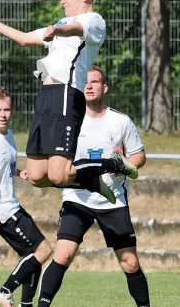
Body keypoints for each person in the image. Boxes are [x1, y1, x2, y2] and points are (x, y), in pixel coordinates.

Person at [0, 0, 136, 203]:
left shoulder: (93, 20)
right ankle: (89, 180)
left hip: (66, 93)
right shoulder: (60, 25)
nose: (62, 1)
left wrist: (57, 30)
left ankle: (114, 163)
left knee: (58, 175)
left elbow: (75, 28)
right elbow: (23, 39)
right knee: (36, 176)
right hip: (46, 96)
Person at [37, 65, 150, 307]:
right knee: (63, 254)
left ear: (104, 87)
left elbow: (139, 157)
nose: (89, 86)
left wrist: (123, 164)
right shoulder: (70, 122)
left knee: (130, 262)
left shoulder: (121, 121)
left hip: (113, 200)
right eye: (85, 82)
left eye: (95, 82)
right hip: (77, 196)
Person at [0, 88, 52, 307]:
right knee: (44, 250)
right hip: (2, 211)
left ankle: (26, 305)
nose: (3, 114)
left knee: (34, 258)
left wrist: (19, 173)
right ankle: (4, 291)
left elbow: (2, 167)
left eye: (6, 109)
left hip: (13, 205)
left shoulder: (9, 135)